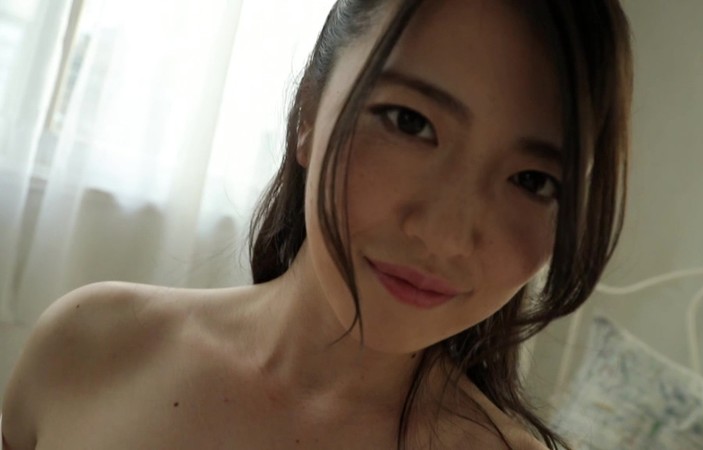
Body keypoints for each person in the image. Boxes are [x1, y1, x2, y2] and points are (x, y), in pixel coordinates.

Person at [1, 0, 632, 448]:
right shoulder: (88, 345)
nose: (444, 236)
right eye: (410, 122)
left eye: (534, 181)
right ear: (308, 109)